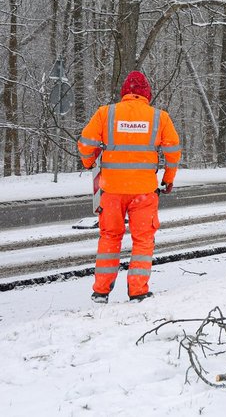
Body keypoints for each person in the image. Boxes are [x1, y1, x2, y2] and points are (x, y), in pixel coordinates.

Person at [77, 71, 181, 303]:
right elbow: (173, 151)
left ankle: (101, 291)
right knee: (143, 239)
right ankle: (138, 291)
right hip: (144, 191)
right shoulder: (159, 117)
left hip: (111, 190)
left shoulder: (106, 113)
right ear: (147, 94)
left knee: (110, 238)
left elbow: (85, 143)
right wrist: (168, 178)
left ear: (124, 92)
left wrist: (89, 161)